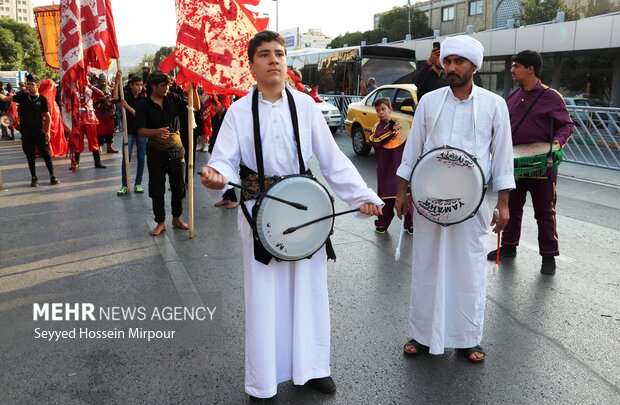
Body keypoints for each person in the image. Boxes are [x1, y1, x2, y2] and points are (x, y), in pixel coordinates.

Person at [199, 30, 383, 401]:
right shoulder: (237, 112)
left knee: (310, 293)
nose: (274, 60)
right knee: (264, 298)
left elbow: (333, 161)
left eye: (279, 53)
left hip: (305, 213)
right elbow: (222, 160)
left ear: (286, 61)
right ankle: (263, 381)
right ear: (251, 66)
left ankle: (313, 369)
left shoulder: (305, 107)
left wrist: (364, 196)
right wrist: (215, 175)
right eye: (264, 54)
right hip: (259, 215)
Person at [394, 35, 515, 363]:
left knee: (469, 268)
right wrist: (403, 191)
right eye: (447, 62)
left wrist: (503, 202)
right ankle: (421, 335)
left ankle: (467, 338)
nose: (451, 68)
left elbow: (502, 157)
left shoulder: (494, 104)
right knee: (426, 265)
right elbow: (412, 149)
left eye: (458, 62)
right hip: (429, 201)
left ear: (474, 66)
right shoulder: (429, 102)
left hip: (472, 204)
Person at [486, 50, 574, 276]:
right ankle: (508, 247)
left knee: (544, 212)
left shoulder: (551, 96)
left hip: (542, 167)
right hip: (514, 165)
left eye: (517, 66)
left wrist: (556, 143)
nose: (512, 70)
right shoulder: (513, 96)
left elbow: (567, 125)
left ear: (530, 69)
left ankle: (548, 256)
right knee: (512, 208)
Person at [135, 70, 198, 236]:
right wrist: (155, 132)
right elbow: (141, 130)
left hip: (176, 150)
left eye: (168, 85)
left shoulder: (173, 98)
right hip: (156, 152)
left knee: (178, 186)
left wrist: (194, 90)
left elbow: (195, 107)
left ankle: (176, 218)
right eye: (163, 85)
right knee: (157, 188)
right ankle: (160, 222)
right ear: (153, 86)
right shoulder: (144, 105)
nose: (167, 88)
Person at [0, 74, 59, 187]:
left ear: (37, 86)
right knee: (30, 156)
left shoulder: (42, 100)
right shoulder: (22, 97)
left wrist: (47, 132)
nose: (29, 86)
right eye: (28, 84)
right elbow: (5, 98)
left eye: (32, 84)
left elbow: (48, 117)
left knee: (46, 154)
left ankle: (52, 176)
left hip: (39, 132)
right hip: (26, 133)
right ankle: (34, 178)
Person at [368, 97, 413, 234]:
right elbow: (374, 141)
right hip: (385, 168)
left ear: (390, 110)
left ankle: (410, 223)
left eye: (383, 109)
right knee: (386, 197)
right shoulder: (377, 127)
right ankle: (382, 222)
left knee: (406, 196)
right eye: (378, 110)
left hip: (400, 167)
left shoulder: (400, 125)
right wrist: (390, 131)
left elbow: (409, 143)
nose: (380, 112)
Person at [117, 72, 147, 195]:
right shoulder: (125, 96)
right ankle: (124, 184)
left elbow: (139, 116)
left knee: (141, 158)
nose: (139, 87)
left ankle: (138, 183)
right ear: (131, 85)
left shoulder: (144, 99)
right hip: (128, 132)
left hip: (141, 132)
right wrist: (116, 81)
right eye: (137, 85)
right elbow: (115, 97)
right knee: (126, 158)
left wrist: (127, 106)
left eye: (141, 85)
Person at [207, 94, 238, 209]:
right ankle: (226, 198)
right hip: (216, 147)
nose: (214, 107)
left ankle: (234, 199)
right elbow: (215, 133)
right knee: (217, 172)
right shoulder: (215, 118)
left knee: (226, 173)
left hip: (228, 149)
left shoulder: (228, 116)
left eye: (216, 104)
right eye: (213, 105)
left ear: (222, 103)